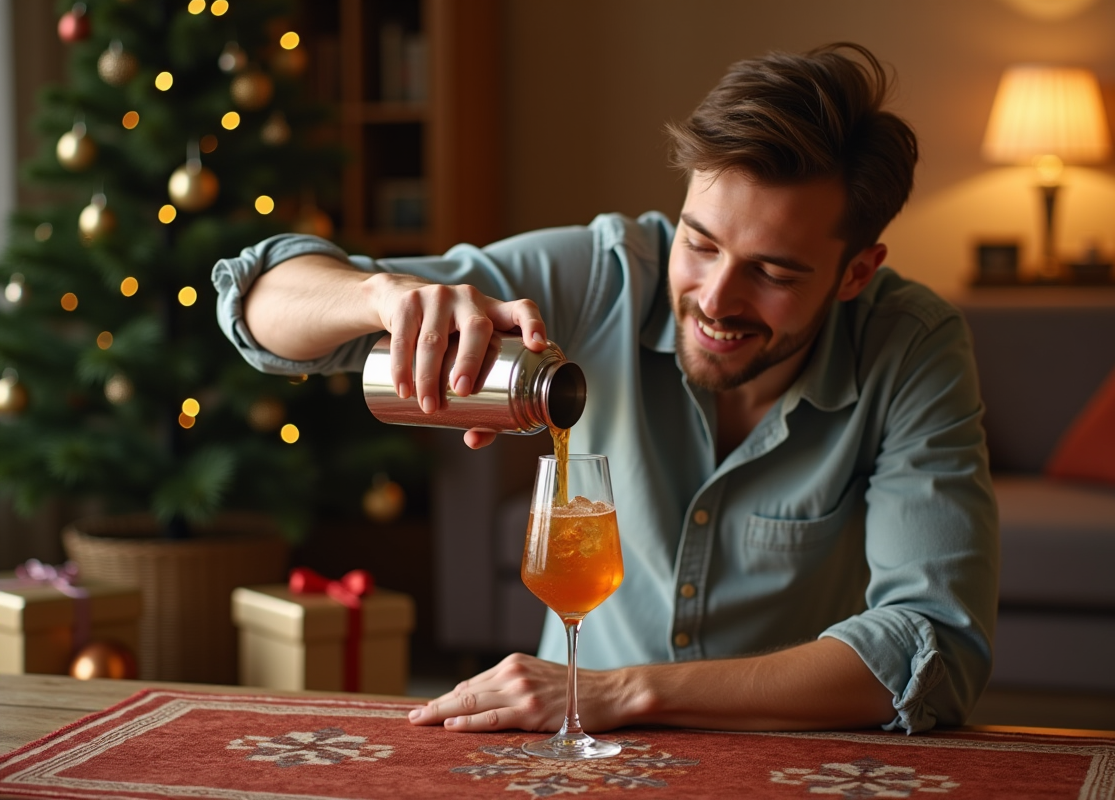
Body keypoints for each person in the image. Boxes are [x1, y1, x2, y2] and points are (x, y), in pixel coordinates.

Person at [212, 42, 998, 735]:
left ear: (856, 272)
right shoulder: (603, 275)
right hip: (572, 751)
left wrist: (622, 692)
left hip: (783, 759)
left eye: (772, 272)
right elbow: (255, 302)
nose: (716, 299)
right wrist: (381, 295)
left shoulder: (911, 346)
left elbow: (935, 646)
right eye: (701, 243)